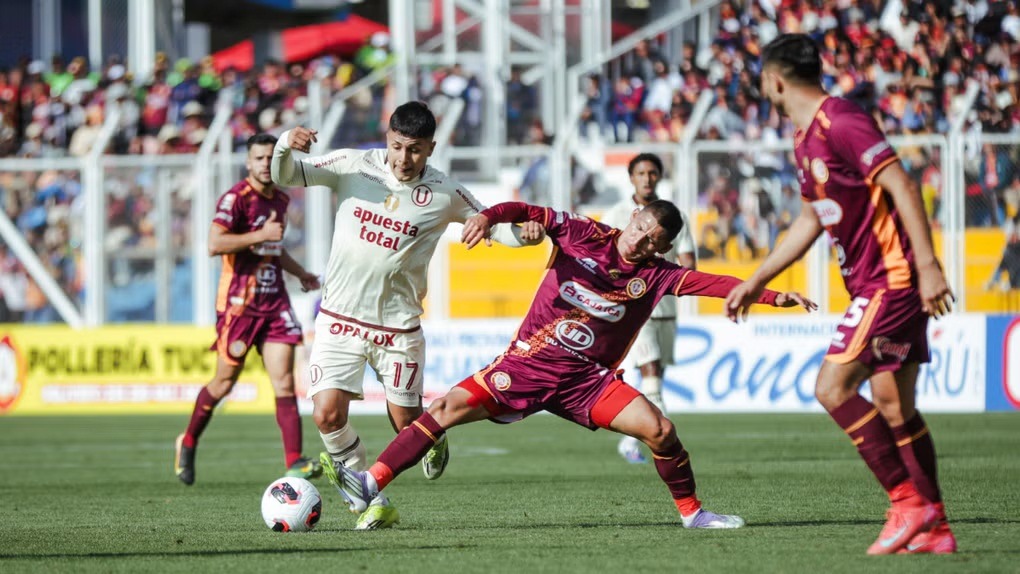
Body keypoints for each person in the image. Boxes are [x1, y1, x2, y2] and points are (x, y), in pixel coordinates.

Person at [330, 199, 815, 528]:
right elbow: (527, 210)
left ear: (662, 248)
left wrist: (774, 296)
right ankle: (369, 483)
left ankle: (693, 514)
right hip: (527, 366)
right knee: (447, 408)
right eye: (641, 228)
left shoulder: (660, 275)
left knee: (661, 431)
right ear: (633, 218)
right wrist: (489, 218)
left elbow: (716, 283)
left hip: (588, 384)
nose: (641, 241)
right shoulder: (582, 231)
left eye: (653, 240)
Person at [723, 34, 958, 555]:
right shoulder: (805, 139)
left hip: (892, 279)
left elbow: (902, 184)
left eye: (763, 80)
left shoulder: (842, 121)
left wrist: (927, 265)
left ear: (775, 80)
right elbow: (810, 217)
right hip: (880, 280)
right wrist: (758, 279)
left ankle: (908, 503)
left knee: (832, 388)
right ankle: (935, 526)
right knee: (895, 407)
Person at [270, 101, 541, 530]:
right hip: (339, 319)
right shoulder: (352, 165)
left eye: (414, 149)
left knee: (406, 423)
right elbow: (283, 174)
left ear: (431, 148)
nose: (403, 158)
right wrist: (287, 143)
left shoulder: (445, 192)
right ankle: (371, 501)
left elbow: (491, 226)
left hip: (398, 328)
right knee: (326, 414)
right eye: (397, 146)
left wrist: (524, 236)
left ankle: (434, 436)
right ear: (387, 138)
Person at [175, 133, 323, 486]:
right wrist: (258, 235)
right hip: (240, 305)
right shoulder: (236, 199)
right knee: (224, 381)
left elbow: (274, 248)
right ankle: (189, 440)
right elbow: (214, 244)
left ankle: (294, 461)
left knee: (285, 381)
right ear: (248, 162)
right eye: (258, 158)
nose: (264, 164)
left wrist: (300, 273)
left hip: (274, 304)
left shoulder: (282, 201)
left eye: (270, 158)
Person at [600, 153, 696, 464]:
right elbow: (605, 258)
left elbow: (688, 259)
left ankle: (631, 439)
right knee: (650, 369)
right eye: (641, 172)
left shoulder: (675, 217)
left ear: (659, 177)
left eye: (652, 172)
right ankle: (663, 440)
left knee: (657, 376)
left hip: (666, 306)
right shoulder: (616, 213)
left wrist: (688, 279)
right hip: (633, 308)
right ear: (631, 178)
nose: (647, 178)